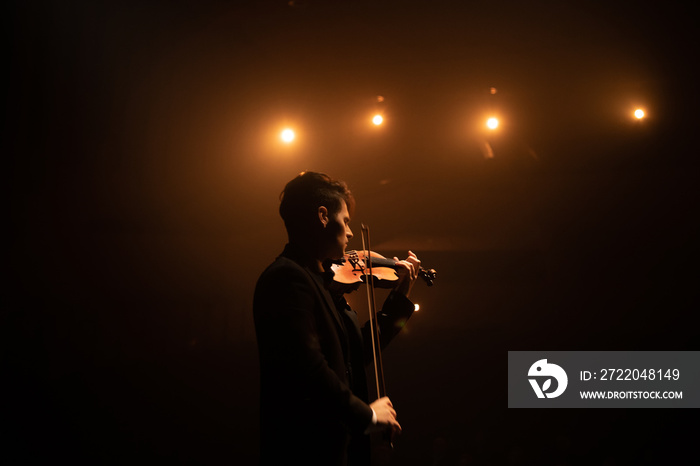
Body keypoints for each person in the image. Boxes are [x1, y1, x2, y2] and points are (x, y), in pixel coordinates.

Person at [253, 171, 421, 466]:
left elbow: (357, 354)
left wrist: (399, 300)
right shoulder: (288, 278)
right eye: (345, 221)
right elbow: (307, 368)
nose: (351, 233)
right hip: (304, 454)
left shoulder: (322, 287)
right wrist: (366, 414)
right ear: (322, 216)